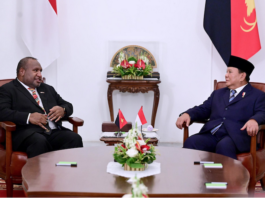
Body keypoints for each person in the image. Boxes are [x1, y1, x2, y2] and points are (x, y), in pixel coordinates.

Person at [176, 56, 265, 159]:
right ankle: (191, 174)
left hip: (235, 137)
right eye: (226, 72)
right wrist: (188, 114)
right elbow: (204, 109)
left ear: (242, 76)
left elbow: (262, 112)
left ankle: (231, 175)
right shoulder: (218, 93)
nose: (226, 75)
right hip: (212, 134)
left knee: (224, 146)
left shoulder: (257, 95)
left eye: (230, 72)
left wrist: (254, 120)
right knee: (192, 142)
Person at [0, 57, 83, 158]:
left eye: (40, 71)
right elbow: (2, 112)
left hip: (52, 132)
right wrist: (29, 117)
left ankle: (69, 173)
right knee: (39, 141)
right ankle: (38, 174)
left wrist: (63, 110)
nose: (40, 75)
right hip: (27, 134)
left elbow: (68, 105)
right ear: (22, 71)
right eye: (35, 70)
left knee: (74, 138)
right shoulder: (8, 89)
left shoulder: (47, 88)